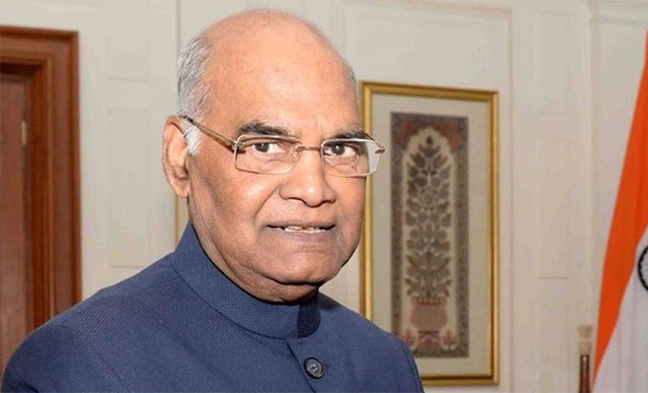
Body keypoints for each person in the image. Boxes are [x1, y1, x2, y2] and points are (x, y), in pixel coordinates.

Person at [1, 9, 423, 393]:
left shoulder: (385, 363)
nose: (314, 190)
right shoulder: (83, 365)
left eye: (338, 149)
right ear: (180, 159)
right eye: (265, 146)